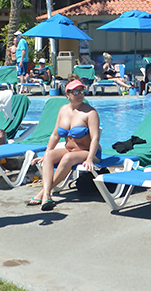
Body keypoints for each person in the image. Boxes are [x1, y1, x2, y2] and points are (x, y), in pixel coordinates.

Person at [26, 79, 101, 211]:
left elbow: (95, 138)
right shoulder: (63, 110)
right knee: (49, 155)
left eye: (82, 91)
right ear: (68, 95)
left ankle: (44, 193)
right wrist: (46, 153)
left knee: (67, 158)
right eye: (76, 92)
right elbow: (55, 135)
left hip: (88, 151)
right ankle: (47, 194)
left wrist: (89, 158)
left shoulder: (90, 112)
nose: (80, 94)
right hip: (69, 150)